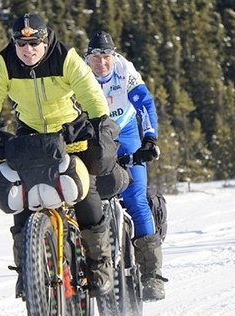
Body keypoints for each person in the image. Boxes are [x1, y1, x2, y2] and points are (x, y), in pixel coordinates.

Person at [0, 14, 114, 297]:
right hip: (30, 133)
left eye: (34, 42)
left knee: (85, 192)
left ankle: (100, 263)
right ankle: (27, 271)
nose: (28, 49)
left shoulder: (65, 57)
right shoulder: (5, 63)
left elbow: (90, 91)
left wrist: (99, 121)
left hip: (69, 131)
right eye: (21, 43)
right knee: (23, 201)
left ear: (45, 40)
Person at [85, 31, 167, 301]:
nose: (101, 63)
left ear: (114, 55)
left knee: (136, 197)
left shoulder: (124, 69)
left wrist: (150, 138)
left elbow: (144, 104)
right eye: (96, 57)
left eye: (106, 56)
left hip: (127, 131)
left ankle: (151, 275)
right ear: (89, 57)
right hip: (96, 134)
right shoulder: (80, 72)